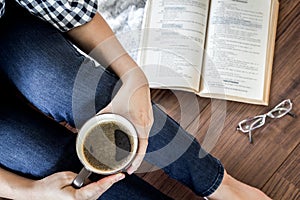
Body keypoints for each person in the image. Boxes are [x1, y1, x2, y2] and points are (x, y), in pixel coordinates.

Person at [0, 0, 271, 199]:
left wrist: (132, 76)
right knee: (55, 171)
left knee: (82, 92)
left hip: (8, 27)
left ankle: (219, 184)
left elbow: (68, 10)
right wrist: (30, 191)